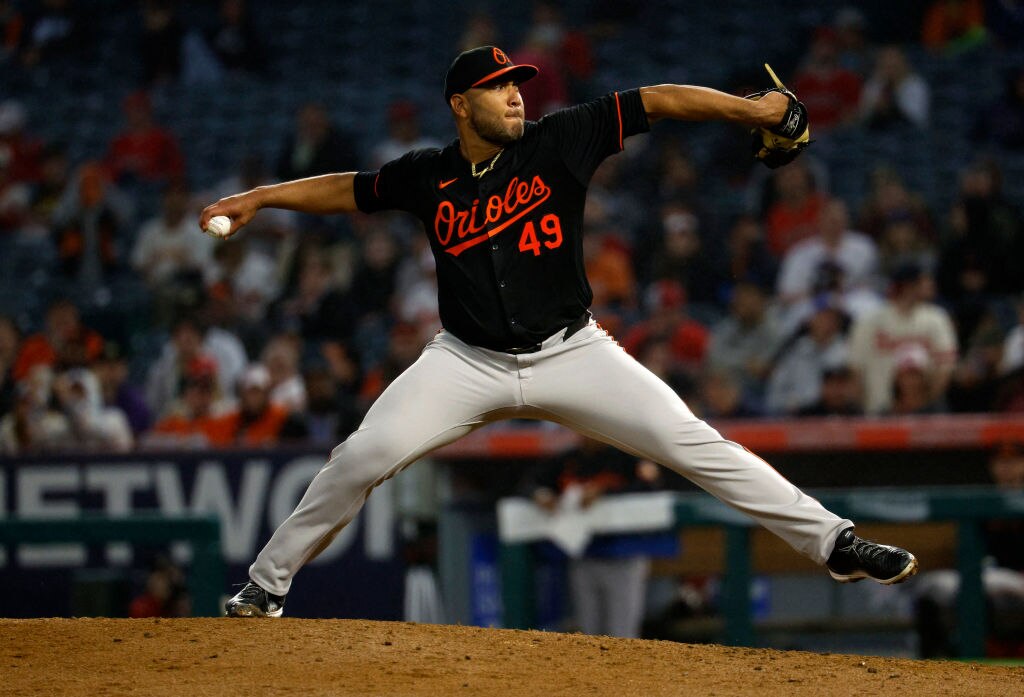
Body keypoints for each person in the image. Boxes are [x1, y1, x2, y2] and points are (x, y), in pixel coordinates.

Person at [202, 45, 918, 618]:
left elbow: (655, 100)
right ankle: (266, 587)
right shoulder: (429, 175)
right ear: (461, 104)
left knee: (691, 439)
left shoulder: (561, 139)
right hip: (466, 360)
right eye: (498, 86)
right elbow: (350, 188)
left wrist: (749, 108)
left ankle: (835, 542)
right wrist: (261, 198)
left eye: (518, 83)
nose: (516, 94)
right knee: (362, 455)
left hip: (573, 351)